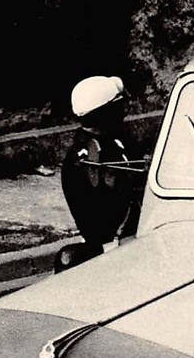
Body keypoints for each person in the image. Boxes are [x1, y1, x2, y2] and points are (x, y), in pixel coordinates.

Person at [57, 75, 145, 270]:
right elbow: (118, 197)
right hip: (117, 246)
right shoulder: (94, 155)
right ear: (105, 112)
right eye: (118, 106)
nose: (124, 111)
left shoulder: (102, 143)